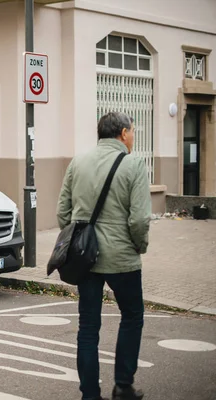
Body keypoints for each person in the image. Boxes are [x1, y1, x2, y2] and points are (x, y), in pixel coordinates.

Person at [57, 111, 151, 400]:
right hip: (122, 258)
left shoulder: (78, 162)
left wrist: (78, 241)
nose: (133, 136)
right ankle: (123, 386)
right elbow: (139, 220)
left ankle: (89, 394)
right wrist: (140, 245)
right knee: (132, 316)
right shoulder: (134, 164)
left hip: (86, 259)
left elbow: (63, 213)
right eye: (132, 131)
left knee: (88, 326)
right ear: (123, 133)